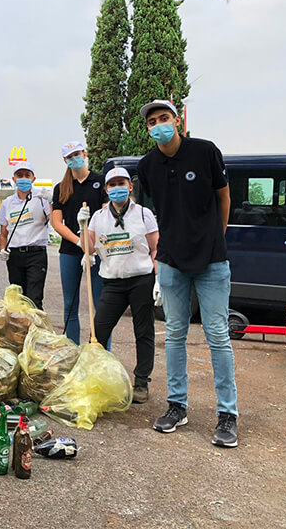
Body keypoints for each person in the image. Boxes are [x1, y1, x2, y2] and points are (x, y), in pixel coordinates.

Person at [137, 99, 238, 448]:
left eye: (164, 118)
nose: (159, 125)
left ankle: (228, 415)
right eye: (152, 121)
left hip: (211, 260)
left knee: (217, 335)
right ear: (148, 129)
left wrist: (217, 236)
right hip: (169, 262)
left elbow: (224, 198)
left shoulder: (206, 152)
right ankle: (177, 406)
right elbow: (153, 212)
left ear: (177, 121)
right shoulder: (147, 166)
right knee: (175, 333)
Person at [86, 167, 158, 403]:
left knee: (143, 332)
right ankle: (94, 377)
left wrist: (159, 279)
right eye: (112, 184)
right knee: (98, 331)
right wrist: (82, 226)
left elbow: (155, 248)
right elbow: (87, 247)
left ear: (130, 186)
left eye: (121, 183)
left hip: (141, 280)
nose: (117, 188)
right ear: (106, 190)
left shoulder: (144, 214)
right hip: (113, 282)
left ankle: (141, 382)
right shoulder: (98, 217)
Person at [50, 141, 107, 344]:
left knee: (100, 304)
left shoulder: (100, 181)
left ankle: (101, 352)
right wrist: (79, 242)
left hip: (97, 251)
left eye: (77, 154)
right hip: (70, 251)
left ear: (85, 153)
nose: (74, 159)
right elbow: (57, 223)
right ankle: (73, 350)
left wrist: (90, 245)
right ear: (65, 161)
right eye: (69, 157)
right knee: (70, 304)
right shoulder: (61, 188)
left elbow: (106, 215)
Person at [0, 161, 51, 309]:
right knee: (17, 301)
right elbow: (3, 234)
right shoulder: (7, 203)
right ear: (13, 179)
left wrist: (52, 201)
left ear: (33, 179)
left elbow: (55, 220)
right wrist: (2, 249)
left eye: (27, 175)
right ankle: (19, 332)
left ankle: (35, 331)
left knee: (34, 299)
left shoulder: (41, 199)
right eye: (19, 175)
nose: (23, 178)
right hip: (14, 256)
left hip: (36, 254)